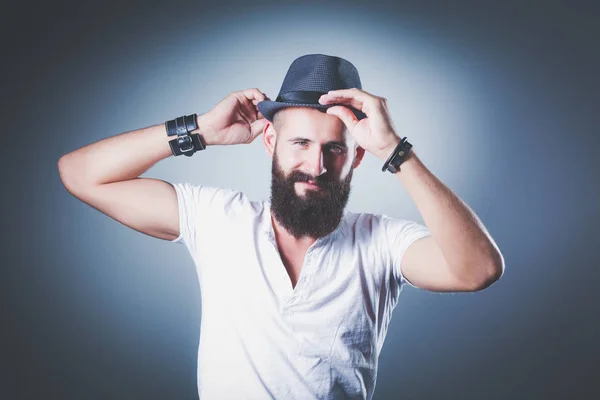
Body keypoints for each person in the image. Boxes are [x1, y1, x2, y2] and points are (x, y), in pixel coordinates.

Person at [58, 54, 504, 399]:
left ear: (358, 157)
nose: (316, 165)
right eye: (300, 143)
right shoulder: (216, 219)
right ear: (270, 142)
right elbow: (80, 173)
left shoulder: (381, 241)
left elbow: (478, 270)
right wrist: (199, 131)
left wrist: (396, 150)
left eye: (334, 149)